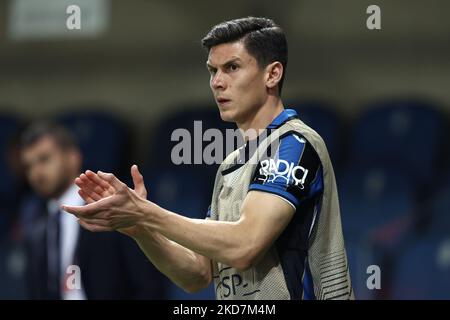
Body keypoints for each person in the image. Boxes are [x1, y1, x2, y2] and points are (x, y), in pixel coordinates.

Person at [64, 17, 354, 300]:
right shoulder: (229, 166)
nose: (217, 82)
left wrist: (147, 212)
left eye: (232, 67)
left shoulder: (295, 144)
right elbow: (197, 275)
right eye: (212, 71)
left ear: (272, 74)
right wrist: (142, 229)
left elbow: (245, 245)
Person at [20, 122, 166, 299]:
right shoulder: (35, 224)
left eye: (44, 159)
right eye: (29, 166)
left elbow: (148, 285)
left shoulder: (112, 207)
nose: (36, 172)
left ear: (73, 157)